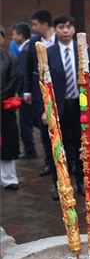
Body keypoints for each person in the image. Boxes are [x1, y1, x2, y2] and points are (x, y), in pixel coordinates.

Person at [46, 15, 88, 199]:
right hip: (58, 106)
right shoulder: (49, 52)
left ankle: (81, 181)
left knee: (81, 144)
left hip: (79, 105)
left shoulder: (82, 50)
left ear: (74, 30)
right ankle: (60, 183)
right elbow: (40, 81)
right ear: (55, 30)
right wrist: (45, 109)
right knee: (58, 145)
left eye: (68, 27)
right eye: (61, 27)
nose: (65, 30)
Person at [25, 10, 56, 177]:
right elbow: (30, 67)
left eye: (35, 24)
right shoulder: (33, 42)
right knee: (44, 131)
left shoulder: (59, 41)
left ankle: (69, 162)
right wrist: (27, 90)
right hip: (40, 93)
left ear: (45, 24)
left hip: (61, 93)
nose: (33, 27)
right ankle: (48, 163)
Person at [12, 22, 37, 159]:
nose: (13, 37)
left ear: (21, 35)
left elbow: (23, 73)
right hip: (29, 92)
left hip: (26, 93)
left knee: (26, 123)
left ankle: (30, 150)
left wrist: (22, 91)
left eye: (15, 34)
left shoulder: (25, 50)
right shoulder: (28, 47)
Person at [0, 27, 21, 190]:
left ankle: (8, 178)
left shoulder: (11, 59)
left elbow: (13, 81)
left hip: (4, 108)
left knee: (7, 141)